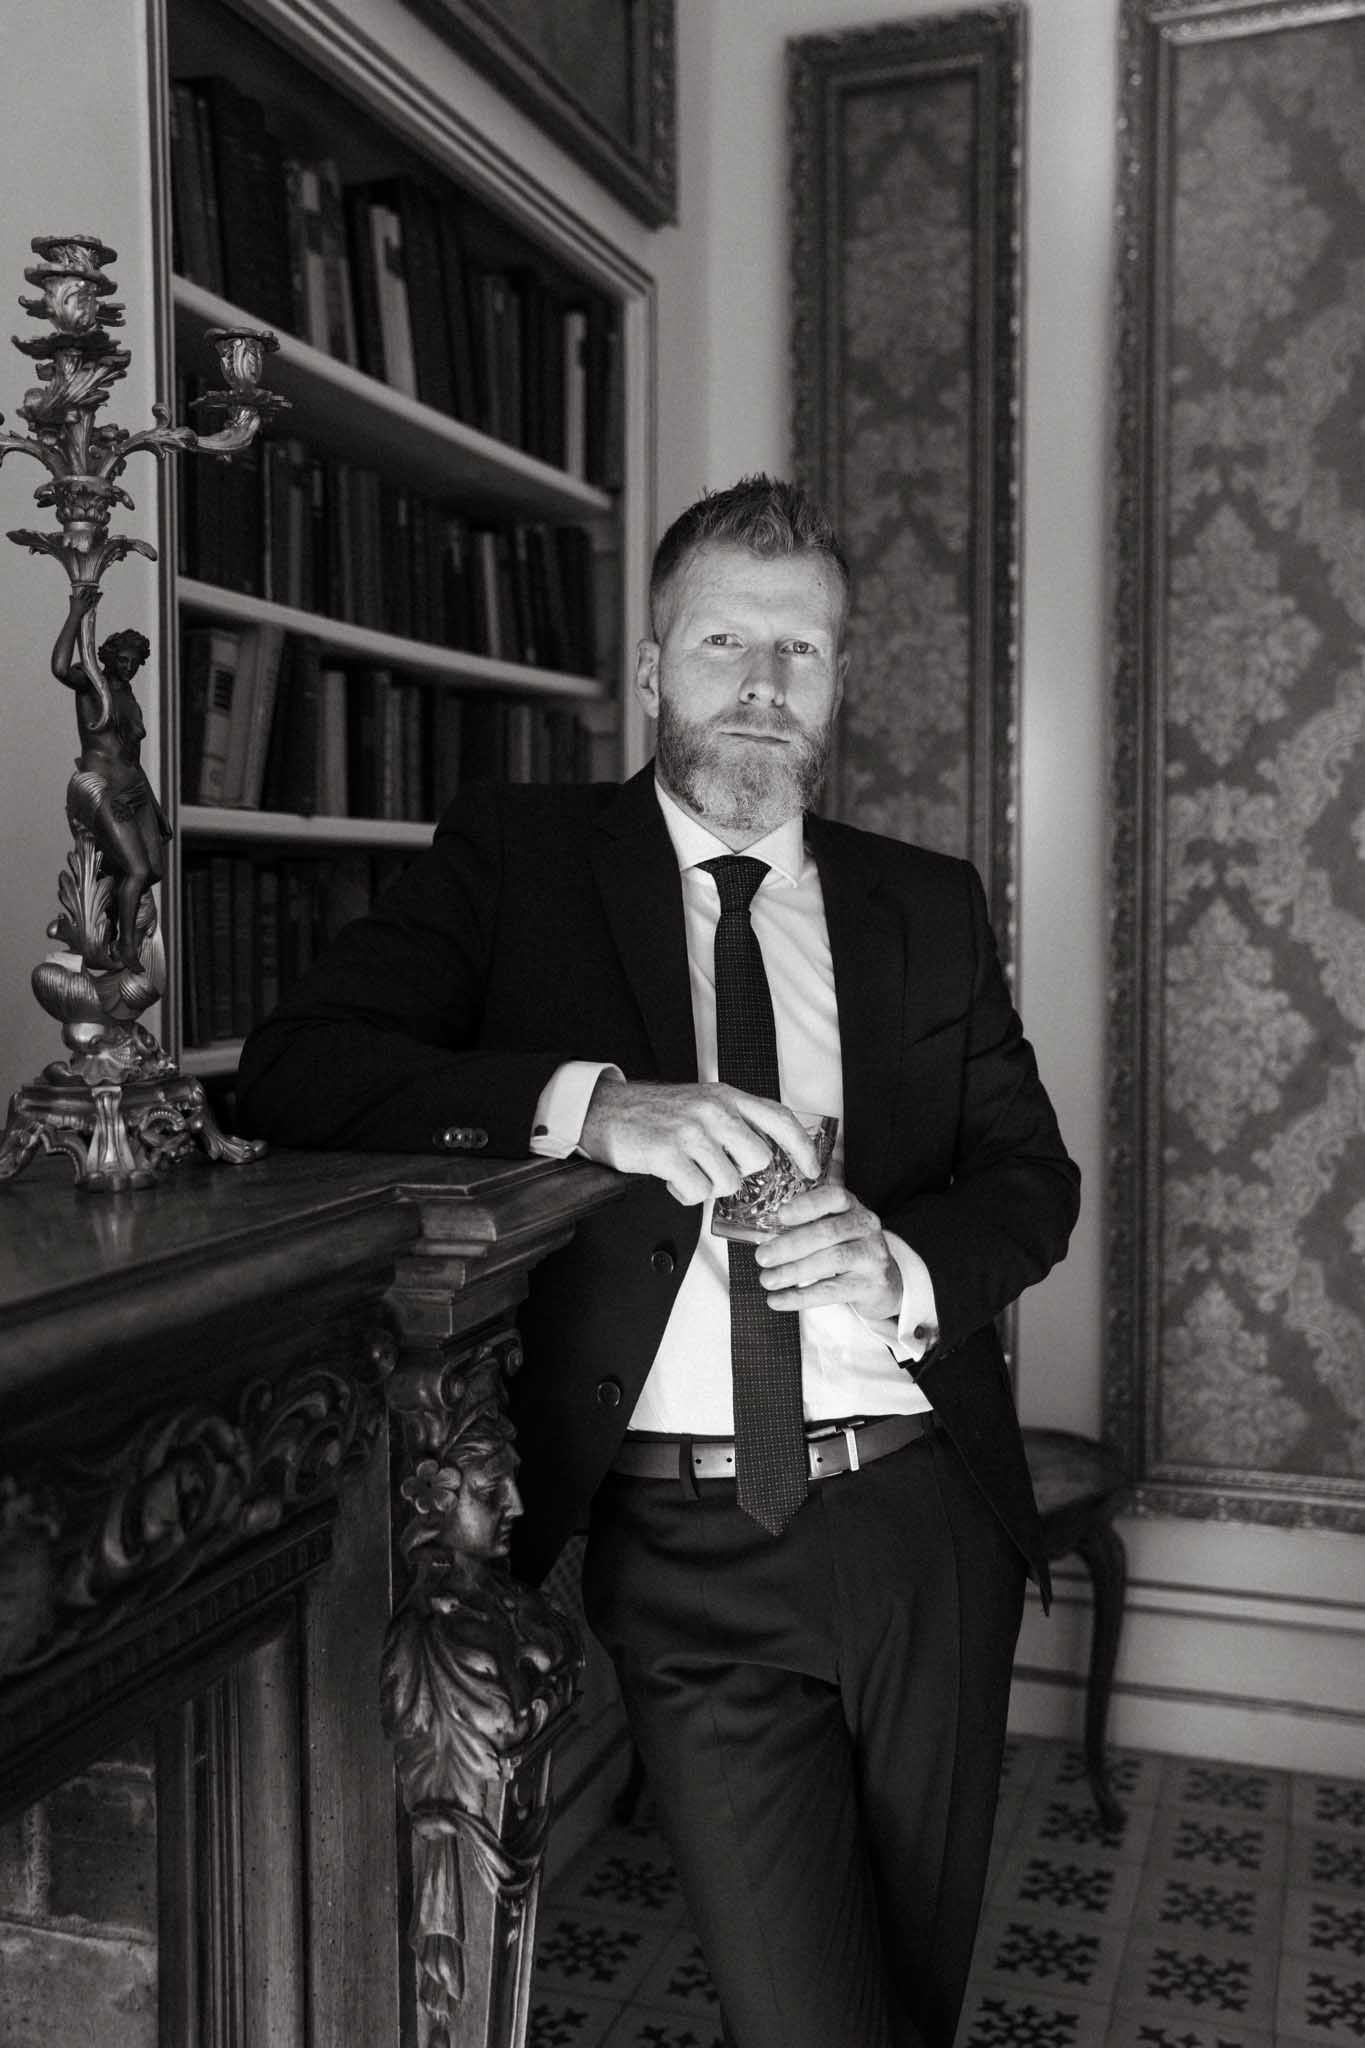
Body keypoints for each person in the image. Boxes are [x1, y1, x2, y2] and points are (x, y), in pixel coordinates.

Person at [238, 475, 1080, 2048]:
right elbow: (292, 1066)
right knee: (807, 2012)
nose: (764, 686)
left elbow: (1032, 1179)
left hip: (925, 1522)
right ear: (649, 670)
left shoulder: (925, 905)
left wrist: (898, 1259)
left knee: (911, 1989)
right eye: (723, 645)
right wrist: (591, 1109)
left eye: (802, 652)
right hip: (687, 1543)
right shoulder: (519, 858)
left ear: (836, 683)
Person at [52, 581, 171, 970]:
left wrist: (153, 803)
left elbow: (133, 753)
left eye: (135, 661)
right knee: (136, 869)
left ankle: (116, 923)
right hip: (104, 788)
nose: (129, 666)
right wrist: (75, 613)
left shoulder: (128, 695)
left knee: (151, 871)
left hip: (135, 789)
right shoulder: (92, 684)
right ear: (107, 657)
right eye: (122, 659)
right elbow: (58, 667)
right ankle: (126, 949)